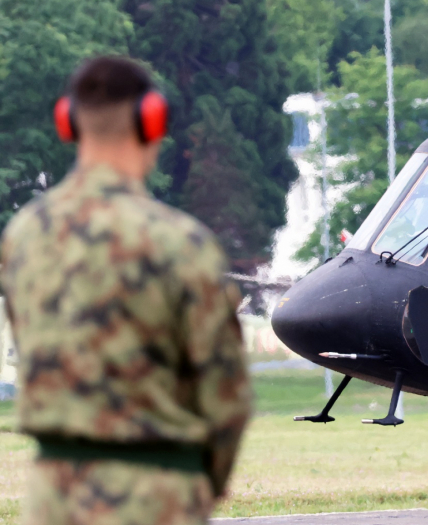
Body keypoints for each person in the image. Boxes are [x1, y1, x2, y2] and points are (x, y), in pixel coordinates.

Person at [0, 56, 252, 525]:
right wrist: (200, 486)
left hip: (52, 499)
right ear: (152, 119)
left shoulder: (23, 236)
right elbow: (226, 394)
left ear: (66, 120)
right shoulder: (181, 242)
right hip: (157, 496)